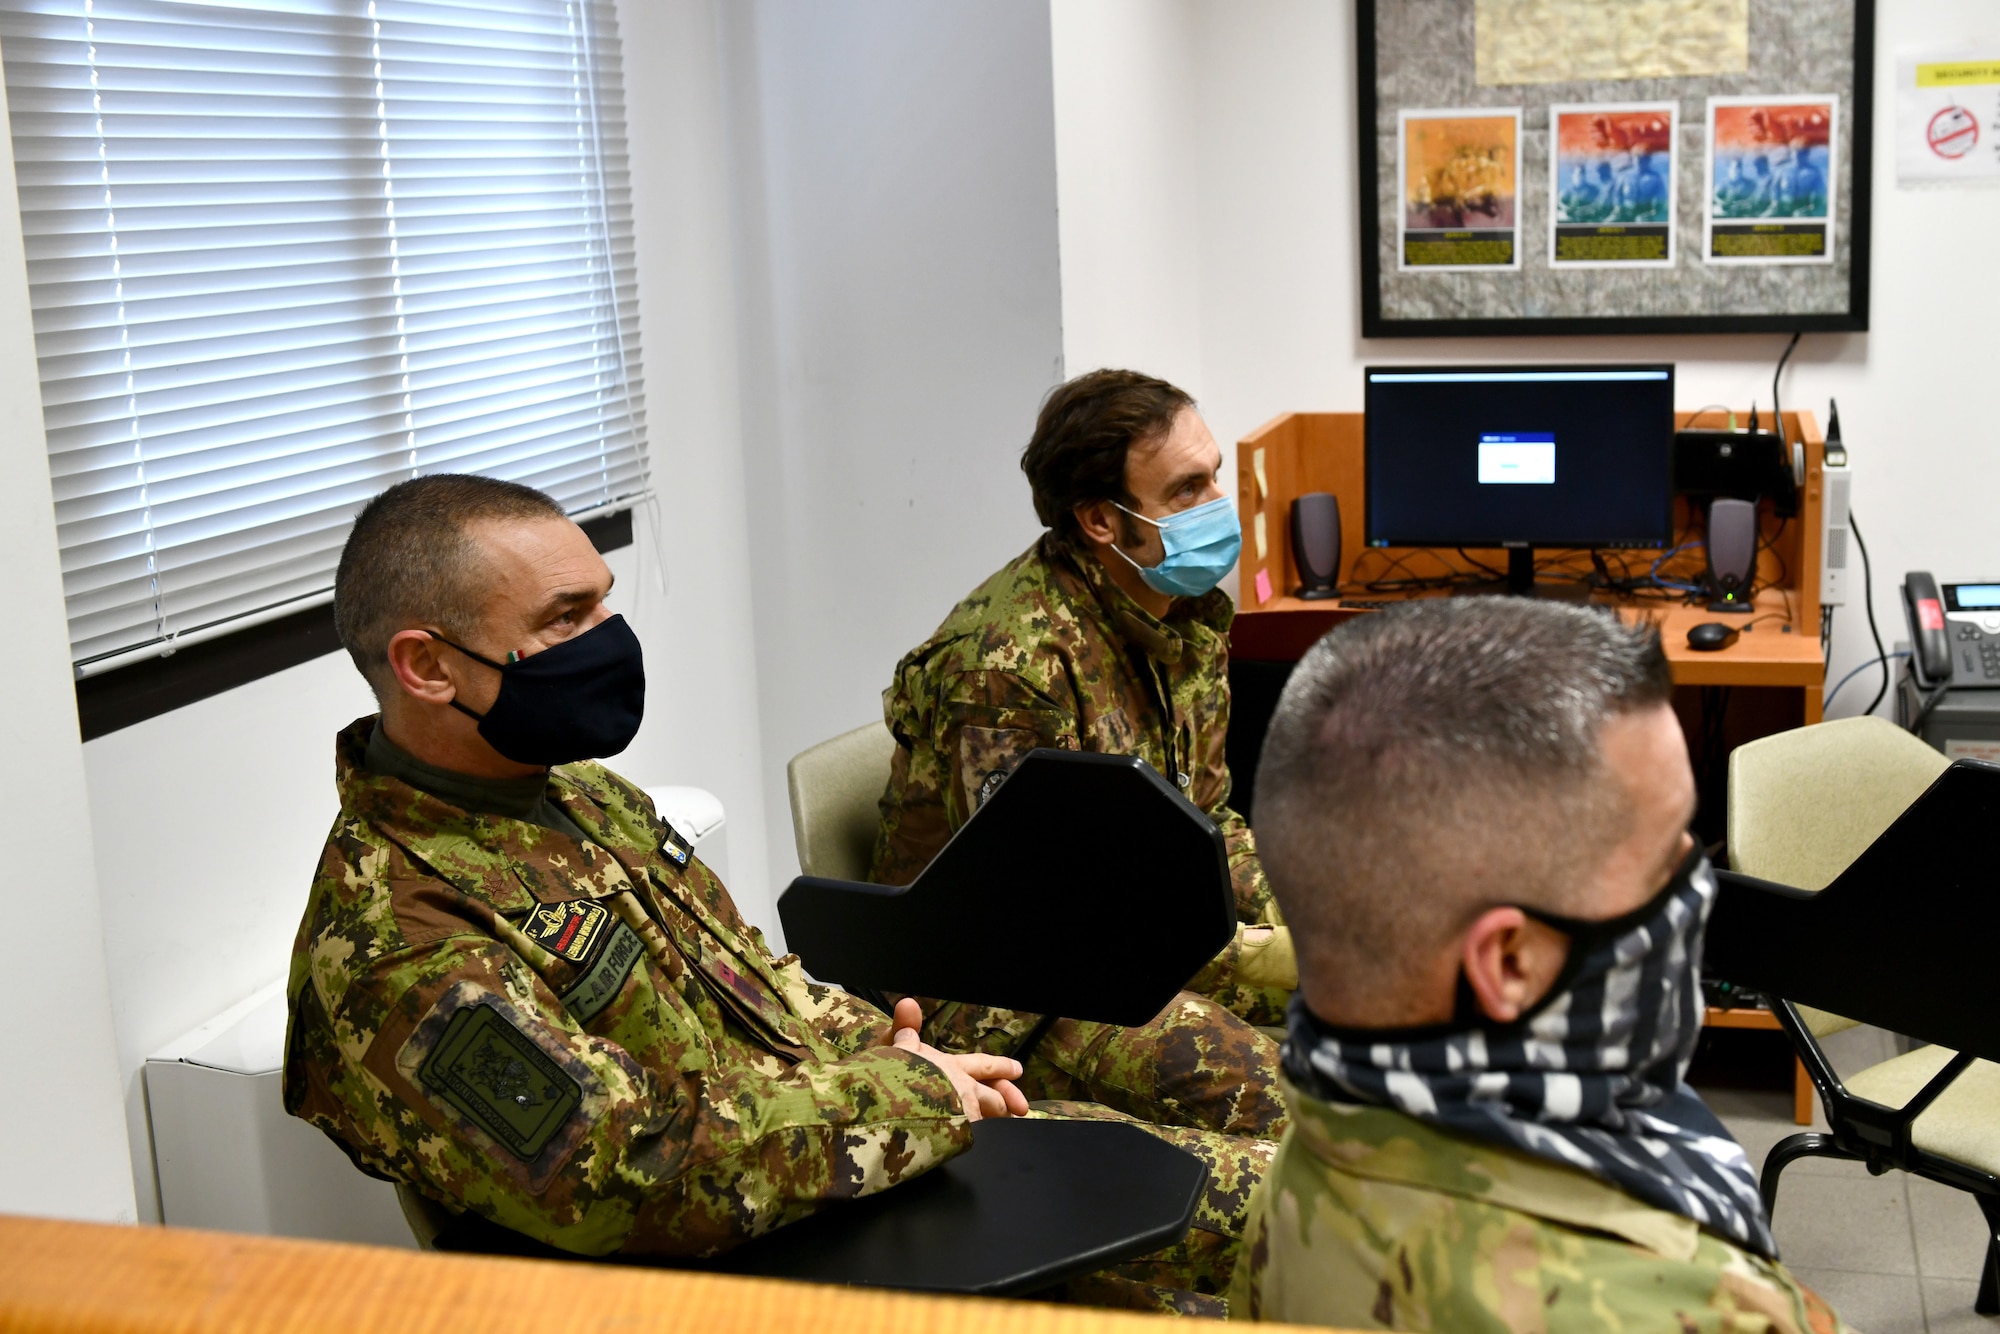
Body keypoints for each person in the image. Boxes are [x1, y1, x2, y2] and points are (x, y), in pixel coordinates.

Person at [282, 474, 1269, 1313]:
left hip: (842, 1169)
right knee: (1270, 1236)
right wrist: (903, 1090)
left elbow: (751, 975)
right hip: (736, 1269)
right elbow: (617, 1169)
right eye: (562, 619)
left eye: (601, 602)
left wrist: (890, 1046)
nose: (607, 637)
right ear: (424, 665)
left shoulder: (575, 794)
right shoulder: (397, 939)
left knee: (1249, 1193)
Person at [1232, 599, 1850, 1333]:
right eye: (1667, 859)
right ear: (1511, 962)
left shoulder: (1314, 1150)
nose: (1699, 880)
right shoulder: (1700, 1309)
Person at [872, 369, 1294, 1141]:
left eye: (1214, 480)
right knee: (1283, 1095)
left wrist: (1309, 921)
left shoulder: (1181, 614)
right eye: (1186, 490)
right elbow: (1042, 910)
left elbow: (1206, 824)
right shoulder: (1007, 665)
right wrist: (1255, 957)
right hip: (1000, 985)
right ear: (1102, 519)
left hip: (1137, 932)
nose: (1217, 509)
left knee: (1384, 990)